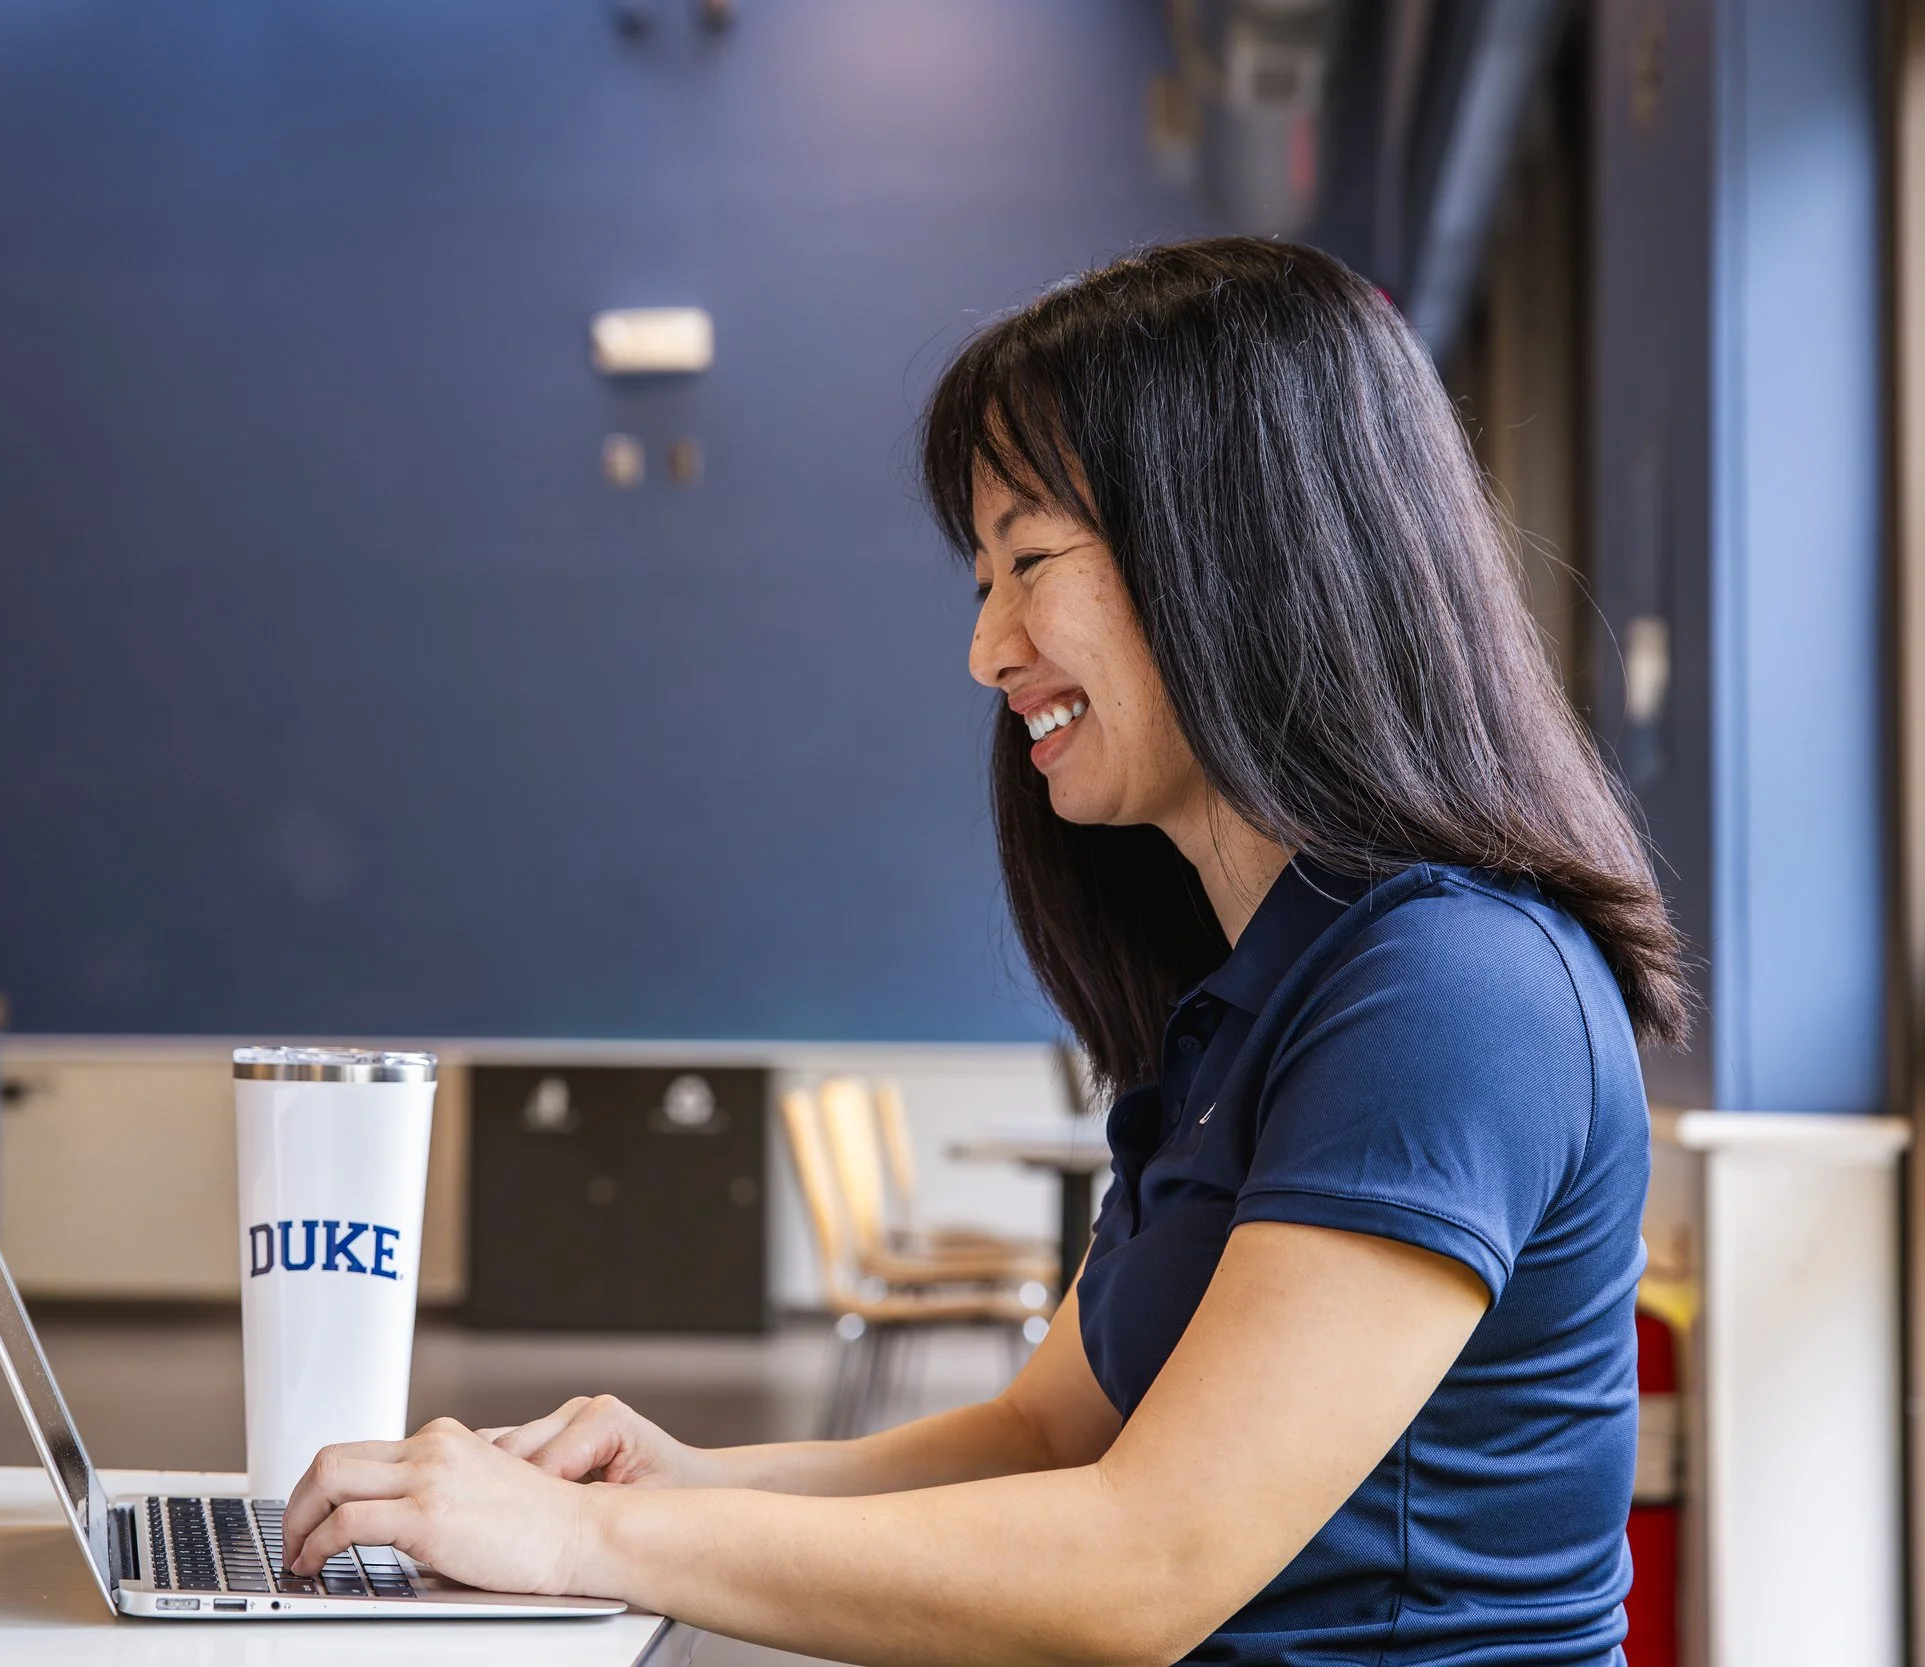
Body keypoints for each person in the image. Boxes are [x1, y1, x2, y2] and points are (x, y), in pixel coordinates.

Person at [279, 237, 1688, 1665]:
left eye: (1029, 561)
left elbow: (1147, 1560)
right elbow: (1039, 1432)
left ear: (1232, 550)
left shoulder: (1459, 990)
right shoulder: (1250, 992)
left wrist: (589, 1543)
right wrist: (674, 1477)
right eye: (980, 580)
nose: (988, 648)